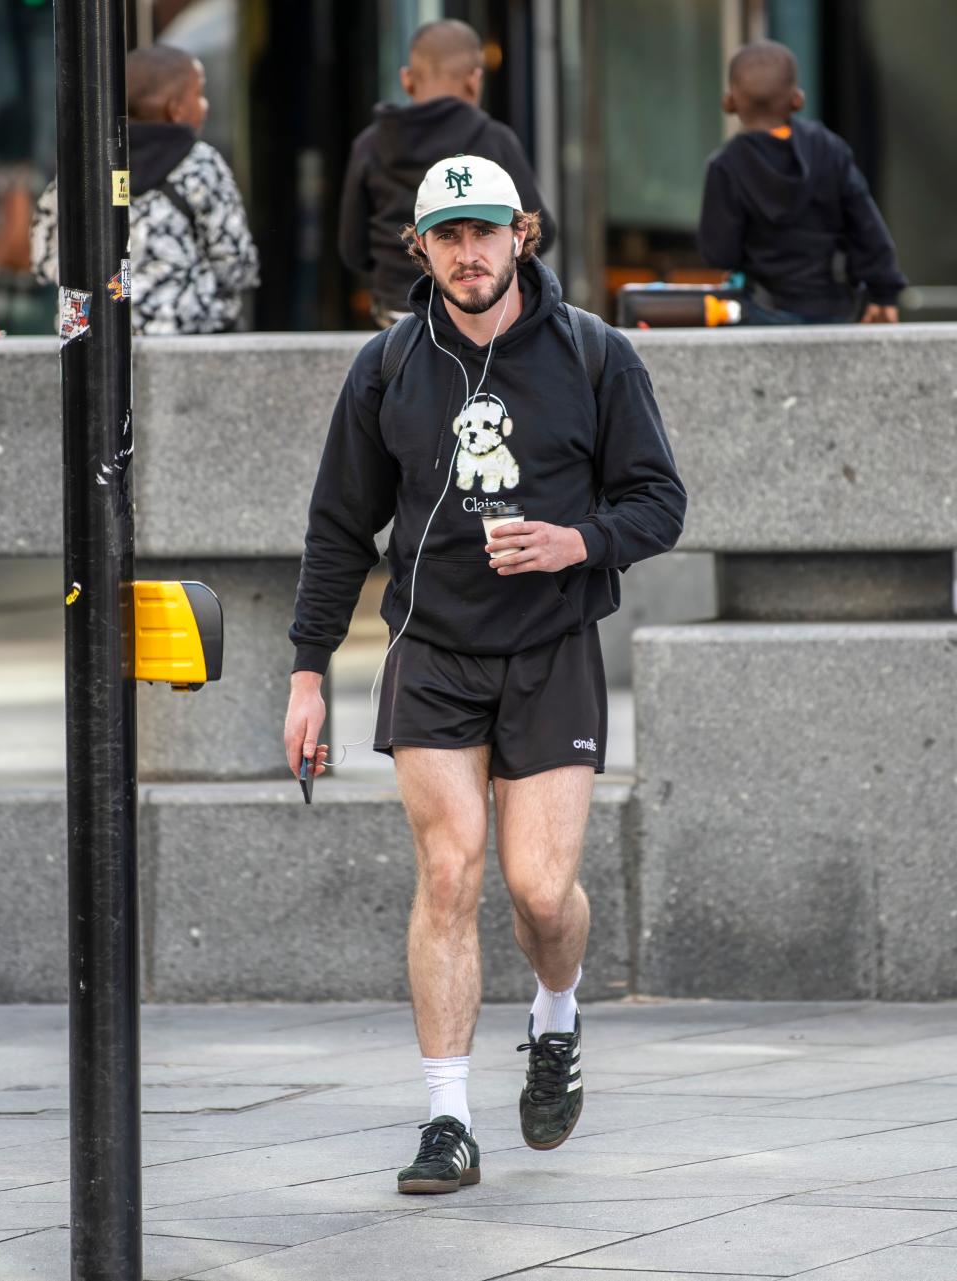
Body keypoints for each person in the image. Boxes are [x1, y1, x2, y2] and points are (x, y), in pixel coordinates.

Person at [285, 154, 685, 1194]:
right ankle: (448, 1117)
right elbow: (338, 528)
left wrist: (577, 543)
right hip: (434, 649)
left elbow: (660, 503)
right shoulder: (386, 367)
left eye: (487, 231)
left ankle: (556, 1015)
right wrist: (307, 672)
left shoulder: (594, 356)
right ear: (421, 248)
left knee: (540, 889)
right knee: (451, 872)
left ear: (525, 234)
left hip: (551, 648)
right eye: (448, 235)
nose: (470, 252)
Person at [338, 18, 555, 328]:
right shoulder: (495, 140)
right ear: (475, 80)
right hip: (480, 313)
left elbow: (353, 250)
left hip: (396, 315)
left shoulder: (370, 145)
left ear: (407, 80)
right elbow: (539, 232)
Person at [30, 45, 258, 335]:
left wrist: (108, 291)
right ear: (175, 110)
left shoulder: (81, 166)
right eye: (199, 94)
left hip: (89, 337)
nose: (205, 105)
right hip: (187, 340)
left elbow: (43, 257)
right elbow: (235, 263)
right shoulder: (199, 164)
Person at [698, 40, 906, 325]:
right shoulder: (829, 149)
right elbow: (866, 225)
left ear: (730, 101)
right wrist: (884, 293)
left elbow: (719, 253)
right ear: (797, 99)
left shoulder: (725, 167)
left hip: (763, 309)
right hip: (836, 307)